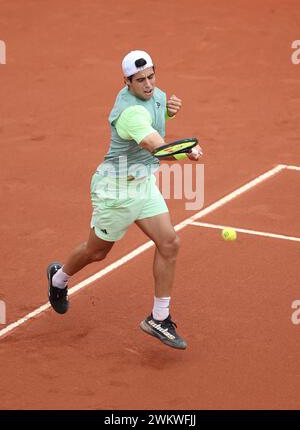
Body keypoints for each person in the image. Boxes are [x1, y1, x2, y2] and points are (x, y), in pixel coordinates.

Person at [47, 50, 202, 350]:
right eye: (140, 80)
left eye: (151, 76)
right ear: (127, 82)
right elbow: (155, 145)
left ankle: (159, 318)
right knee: (96, 252)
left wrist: (169, 111)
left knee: (169, 243)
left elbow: (158, 118)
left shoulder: (158, 95)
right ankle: (58, 280)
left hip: (143, 185)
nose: (148, 85)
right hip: (115, 191)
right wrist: (187, 151)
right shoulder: (130, 113)